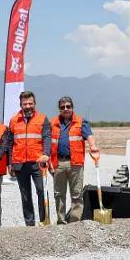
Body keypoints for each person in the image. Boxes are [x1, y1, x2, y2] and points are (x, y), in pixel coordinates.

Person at [50, 96, 99, 224]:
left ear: (72, 108)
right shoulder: (53, 123)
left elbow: (89, 135)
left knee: (77, 194)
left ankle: (74, 222)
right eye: (62, 107)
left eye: (68, 106)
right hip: (58, 163)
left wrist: (92, 145)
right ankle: (61, 221)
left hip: (75, 163)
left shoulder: (80, 122)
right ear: (59, 109)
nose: (65, 109)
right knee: (59, 195)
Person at [6, 91, 51, 226]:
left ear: (35, 104)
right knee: (25, 195)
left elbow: (47, 138)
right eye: (25, 104)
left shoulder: (43, 119)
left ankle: (44, 221)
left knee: (42, 191)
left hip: (38, 162)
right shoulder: (14, 120)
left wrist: (46, 154)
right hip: (19, 163)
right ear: (21, 105)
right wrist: (10, 163)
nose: (28, 106)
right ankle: (29, 223)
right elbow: (10, 143)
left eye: (30, 103)